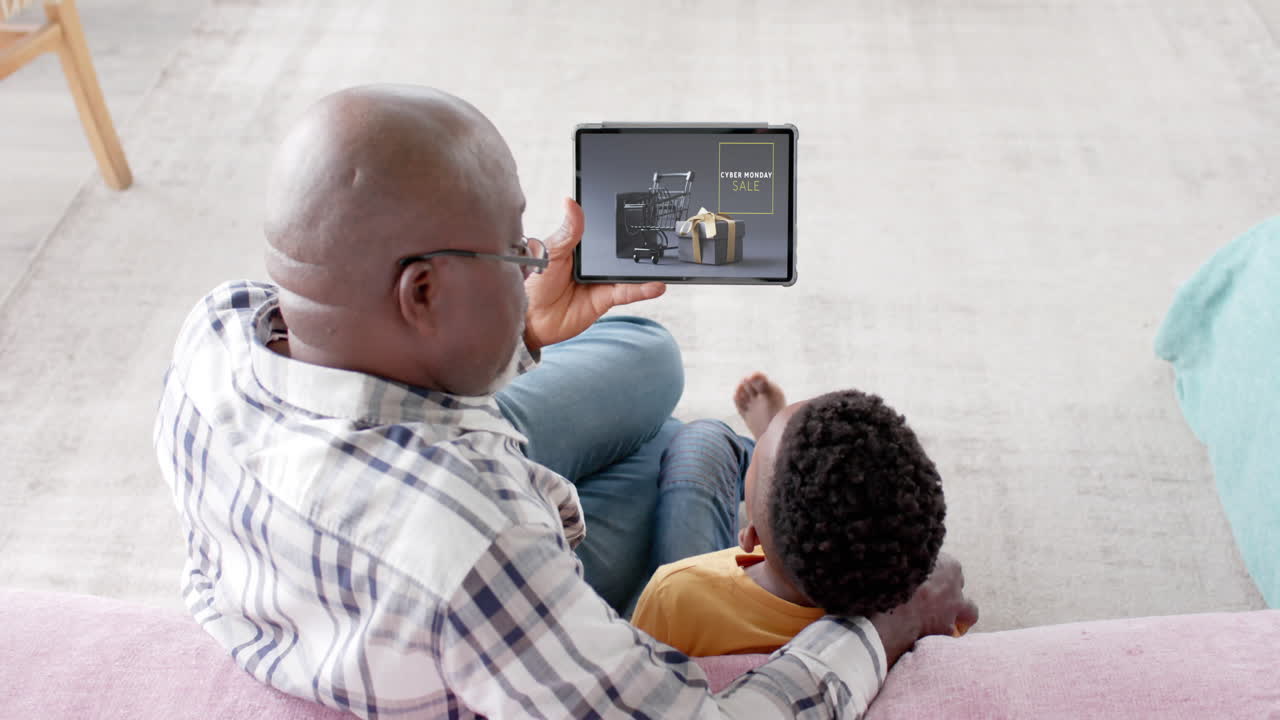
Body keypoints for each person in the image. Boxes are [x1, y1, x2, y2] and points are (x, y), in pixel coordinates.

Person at [153, 84, 978, 719]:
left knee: (652, 360)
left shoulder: (219, 329)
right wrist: (883, 625)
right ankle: (701, 472)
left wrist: (531, 333)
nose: (538, 257)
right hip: (444, 565)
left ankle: (696, 461)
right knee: (685, 447)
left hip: (360, 512)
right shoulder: (477, 542)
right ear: (424, 291)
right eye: (516, 246)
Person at [633, 375, 972, 656]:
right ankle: (779, 466)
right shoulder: (927, 617)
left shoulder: (675, 595)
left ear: (750, 537)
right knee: (694, 440)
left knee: (701, 437)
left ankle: (775, 461)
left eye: (763, 448)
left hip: (705, 607)